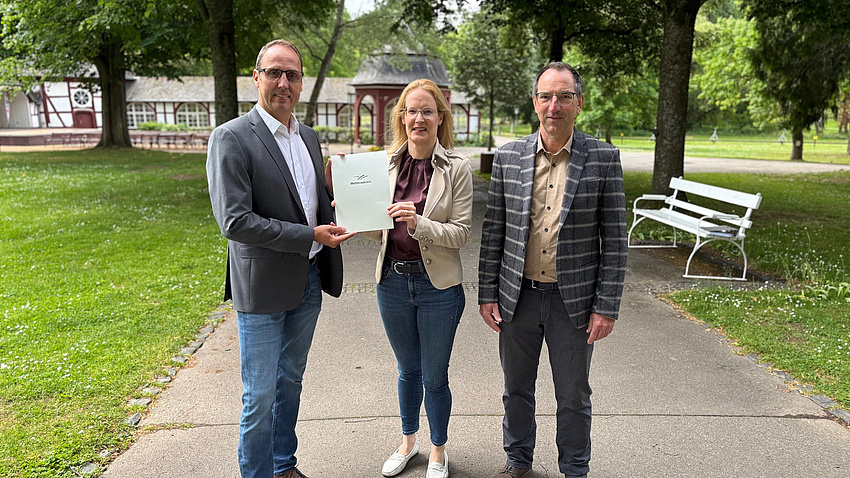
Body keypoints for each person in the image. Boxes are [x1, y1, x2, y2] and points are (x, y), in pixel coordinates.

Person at [206, 39, 355, 478]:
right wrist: (310, 234)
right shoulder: (231, 138)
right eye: (274, 72)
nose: (283, 83)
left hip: (308, 281)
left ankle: (283, 465)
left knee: (290, 382)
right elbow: (235, 222)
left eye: (291, 74)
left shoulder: (308, 136)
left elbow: (307, 202)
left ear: (302, 82)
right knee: (259, 396)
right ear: (257, 78)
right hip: (263, 287)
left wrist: (337, 189)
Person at [477, 62, 627, 478]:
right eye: (546, 96)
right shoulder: (509, 157)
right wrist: (487, 293)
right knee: (516, 390)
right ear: (534, 102)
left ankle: (575, 469)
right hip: (517, 297)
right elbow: (494, 233)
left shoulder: (603, 158)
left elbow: (615, 241)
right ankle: (517, 461)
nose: (554, 105)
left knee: (574, 395)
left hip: (573, 303)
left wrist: (606, 306)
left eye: (563, 96)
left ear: (579, 102)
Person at [358, 79, 473, 478]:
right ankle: (409, 444)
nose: (418, 119)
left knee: (435, 376)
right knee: (407, 371)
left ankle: (438, 451)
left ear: (440, 118)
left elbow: (460, 233)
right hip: (391, 281)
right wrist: (355, 218)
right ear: (401, 117)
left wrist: (419, 222)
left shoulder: (456, 168)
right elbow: (380, 231)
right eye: (411, 111)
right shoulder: (385, 165)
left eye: (427, 111)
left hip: (438, 287)